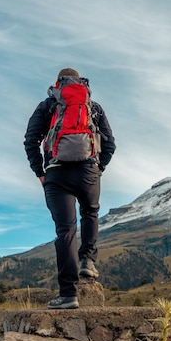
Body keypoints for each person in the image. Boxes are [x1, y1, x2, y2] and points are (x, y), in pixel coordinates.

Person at [24, 68, 116, 309]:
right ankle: (88, 261)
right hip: (88, 171)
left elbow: (30, 140)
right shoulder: (93, 107)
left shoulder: (48, 105)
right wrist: (98, 168)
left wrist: (40, 173)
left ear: (58, 83)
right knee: (90, 212)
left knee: (65, 230)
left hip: (56, 172)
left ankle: (68, 295)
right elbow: (110, 144)